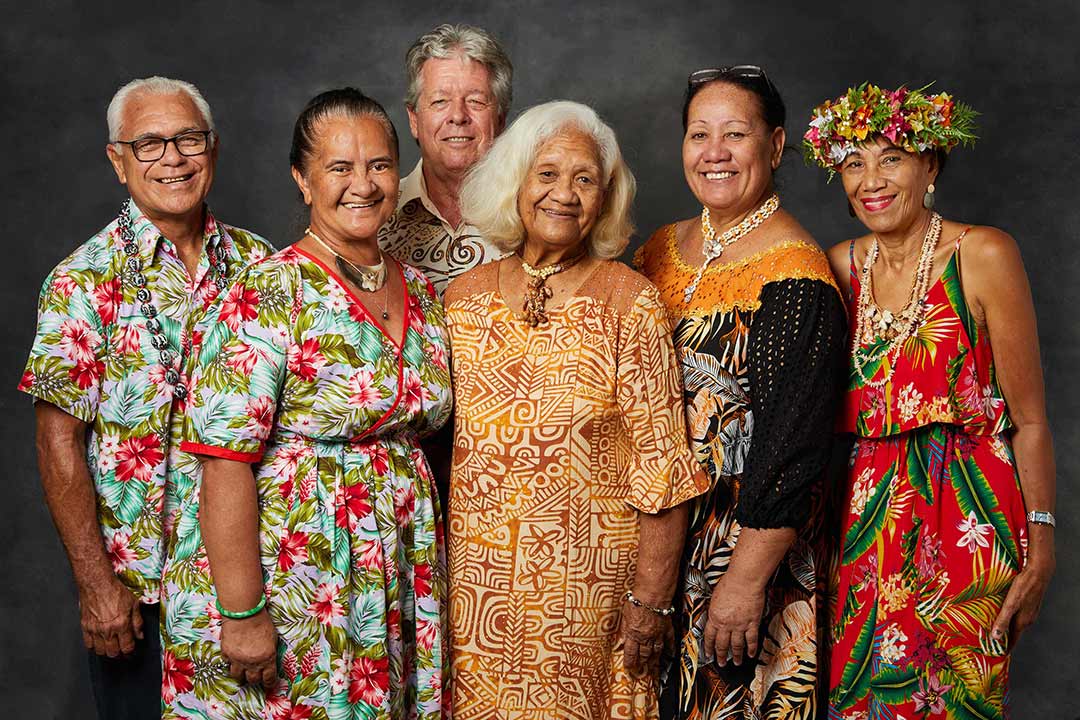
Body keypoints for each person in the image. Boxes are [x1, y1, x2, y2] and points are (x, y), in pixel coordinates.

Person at [162, 88, 452, 719]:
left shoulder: (423, 293)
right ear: (302, 179)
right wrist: (242, 614)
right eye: (339, 167)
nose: (364, 185)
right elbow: (223, 462)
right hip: (295, 574)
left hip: (395, 568)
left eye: (378, 165)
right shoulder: (267, 291)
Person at [444, 100, 708, 720]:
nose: (565, 194)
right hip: (475, 590)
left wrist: (651, 601)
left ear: (605, 198)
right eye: (547, 174)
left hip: (587, 600)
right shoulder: (461, 298)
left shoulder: (630, 302)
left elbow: (664, 466)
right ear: (515, 182)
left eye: (585, 178)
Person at [17, 76, 271, 719]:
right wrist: (95, 583)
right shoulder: (80, 280)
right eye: (150, 142)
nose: (173, 159)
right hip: (140, 589)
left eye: (188, 139)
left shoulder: (261, 264)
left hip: (257, 578)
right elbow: (58, 441)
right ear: (117, 160)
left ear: (213, 148)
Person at [804, 83, 1056, 718]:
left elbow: (1029, 421)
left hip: (967, 515)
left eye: (890, 158)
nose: (871, 180)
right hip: (861, 526)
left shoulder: (984, 254)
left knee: (954, 703)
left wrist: (1043, 544)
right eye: (853, 163)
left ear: (931, 165)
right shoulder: (838, 266)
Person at [634, 66, 847, 718]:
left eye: (736, 134)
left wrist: (745, 582)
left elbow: (794, 449)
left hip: (743, 554)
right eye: (700, 134)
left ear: (777, 146)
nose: (715, 152)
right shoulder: (659, 251)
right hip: (663, 546)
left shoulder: (796, 276)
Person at [379, 22, 513, 297]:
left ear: (500, 119)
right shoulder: (373, 215)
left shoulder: (534, 215)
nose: (458, 116)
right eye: (440, 101)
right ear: (414, 119)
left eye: (476, 101)